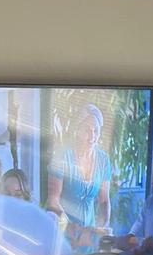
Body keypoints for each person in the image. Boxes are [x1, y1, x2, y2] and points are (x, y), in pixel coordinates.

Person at [45, 103, 112, 242]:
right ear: (77, 129)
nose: (92, 136)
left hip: (89, 235)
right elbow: (53, 200)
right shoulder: (62, 155)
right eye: (87, 130)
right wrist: (70, 228)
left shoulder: (103, 159)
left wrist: (102, 226)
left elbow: (104, 200)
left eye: (96, 131)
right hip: (62, 232)